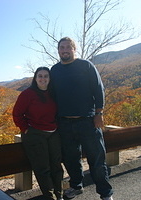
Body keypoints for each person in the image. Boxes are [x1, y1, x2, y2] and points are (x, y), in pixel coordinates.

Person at [50, 37, 114, 200]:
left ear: (74, 49)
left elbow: (98, 89)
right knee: (70, 159)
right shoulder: (55, 70)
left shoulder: (85, 66)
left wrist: (99, 113)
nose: (64, 50)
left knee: (97, 158)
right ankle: (76, 186)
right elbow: (50, 95)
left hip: (88, 121)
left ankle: (105, 193)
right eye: (61, 47)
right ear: (58, 50)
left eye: (67, 47)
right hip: (64, 123)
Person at [13, 67, 64, 200]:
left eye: (46, 76)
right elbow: (17, 114)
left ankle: (60, 195)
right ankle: (50, 196)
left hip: (53, 133)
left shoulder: (53, 93)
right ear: (35, 78)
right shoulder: (27, 94)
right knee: (43, 168)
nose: (43, 79)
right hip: (35, 134)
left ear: (49, 78)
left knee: (56, 166)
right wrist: (25, 129)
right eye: (40, 76)